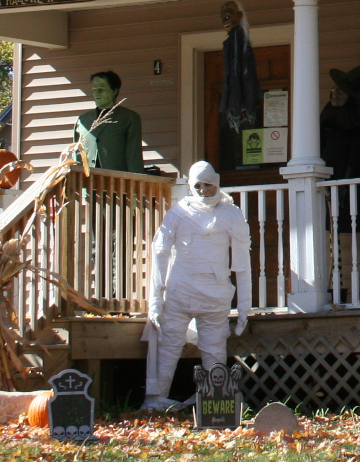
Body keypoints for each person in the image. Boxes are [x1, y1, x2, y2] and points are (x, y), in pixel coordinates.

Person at [141, 160, 251, 411]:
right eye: (198, 185)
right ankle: (157, 400)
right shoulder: (179, 213)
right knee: (169, 347)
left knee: (214, 349)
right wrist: (155, 300)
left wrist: (245, 307)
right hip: (180, 291)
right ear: (191, 186)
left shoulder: (231, 214)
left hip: (215, 294)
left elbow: (242, 263)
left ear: (217, 183)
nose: (203, 190)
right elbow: (160, 253)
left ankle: (216, 401)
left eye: (208, 185)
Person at [75, 70, 144, 173]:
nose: (96, 94)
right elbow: (76, 154)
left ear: (114, 91)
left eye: (101, 90)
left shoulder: (129, 118)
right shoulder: (83, 120)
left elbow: (134, 155)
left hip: (116, 180)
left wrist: (135, 180)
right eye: (94, 90)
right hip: (88, 180)